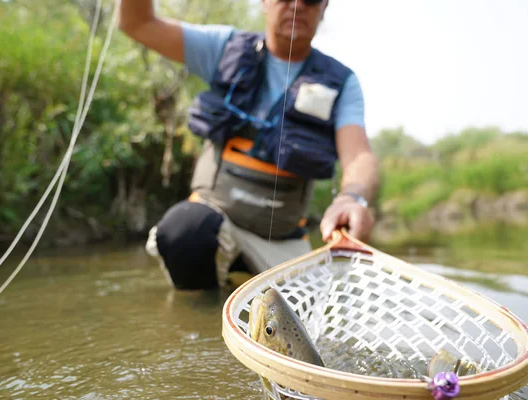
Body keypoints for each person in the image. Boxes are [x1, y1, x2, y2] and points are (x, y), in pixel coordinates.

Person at [118, 0, 379, 290]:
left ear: (324, 7)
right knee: (185, 232)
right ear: (264, 2)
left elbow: (359, 156)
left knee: (299, 322)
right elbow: (137, 24)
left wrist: (352, 198)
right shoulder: (223, 47)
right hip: (212, 222)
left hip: (282, 241)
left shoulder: (342, 83)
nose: (297, 6)